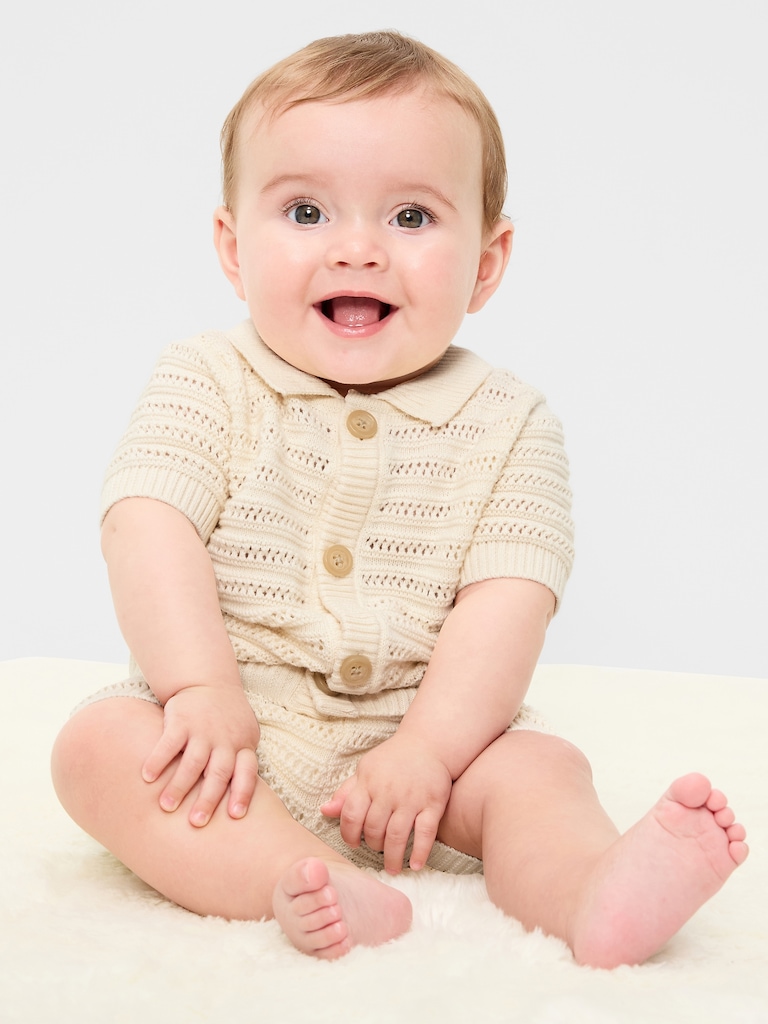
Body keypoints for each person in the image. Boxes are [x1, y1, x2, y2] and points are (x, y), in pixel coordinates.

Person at [51, 30, 747, 968]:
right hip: (231, 739)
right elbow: (148, 527)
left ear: (487, 262)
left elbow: (509, 601)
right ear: (232, 246)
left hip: (434, 759)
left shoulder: (510, 421)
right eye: (305, 211)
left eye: (411, 218)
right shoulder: (204, 378)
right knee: (97, 747)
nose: (358, 250)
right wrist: (198, 689)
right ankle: (291, 875)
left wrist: (428, 750)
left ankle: (589, 891)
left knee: (541, 770)